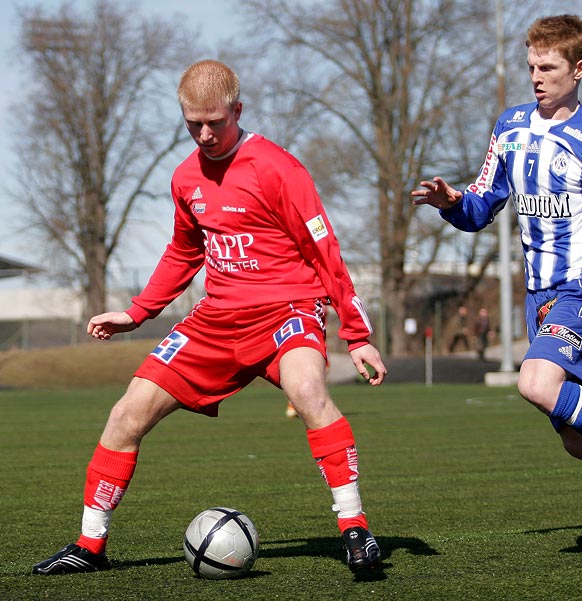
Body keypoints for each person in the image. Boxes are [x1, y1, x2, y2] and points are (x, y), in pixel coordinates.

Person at [33, 59, 386, 576]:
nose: (204, 134)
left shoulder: (278, 168)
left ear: (237, 111)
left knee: (309, 393)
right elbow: (182, 252)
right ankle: (89, 547)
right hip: (215, 319)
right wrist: (137, 312)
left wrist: (357, 335)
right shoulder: (184, 177)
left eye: (214, 123)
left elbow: (325, 251)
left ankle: (355, 531)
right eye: (192, 123)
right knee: (125, 415)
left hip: (286, 308)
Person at [412, 15, 582, 525]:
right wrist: (451, 202)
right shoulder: (509, 128)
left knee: (533, 381)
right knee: (578, 439)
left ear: (578, 69)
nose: (535, 76)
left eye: (547, 66)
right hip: (539, 300)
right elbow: (482, 205)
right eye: (530, 65)